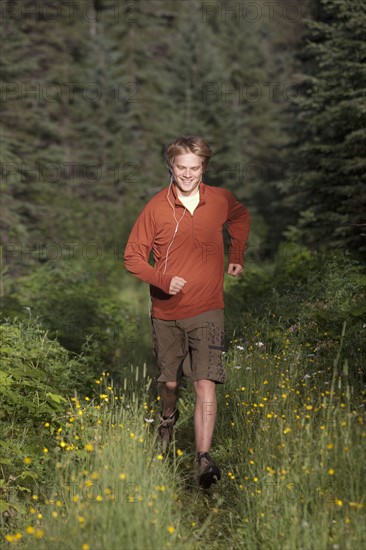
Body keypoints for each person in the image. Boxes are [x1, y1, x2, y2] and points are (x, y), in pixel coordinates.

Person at [124, 136, 250, 488]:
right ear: (171, 166)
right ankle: (167, 417)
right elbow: (132, 256)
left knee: (205, 381)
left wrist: (237, 254)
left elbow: (241, 217)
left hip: (209, 307)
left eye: (195, 168)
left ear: (204, 168)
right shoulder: (157, 208)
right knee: (170, 382)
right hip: (166, 311)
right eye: (182, 168)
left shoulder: (220, 199)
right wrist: (161, 279)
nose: (188, 175)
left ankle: (203, 459)